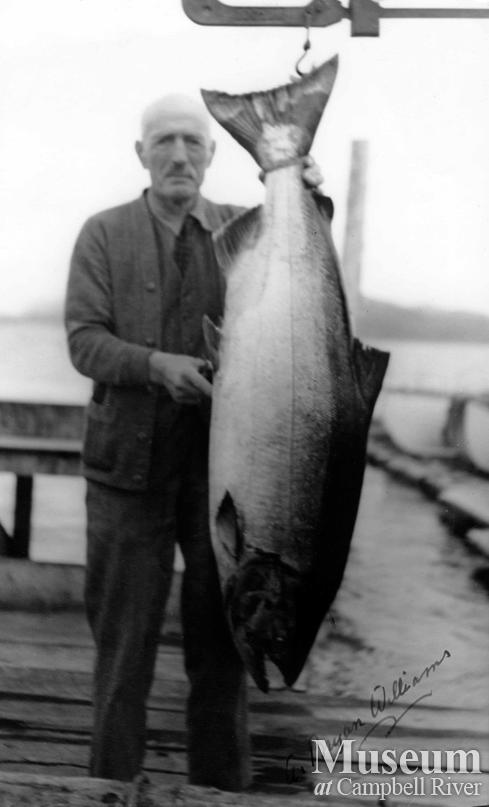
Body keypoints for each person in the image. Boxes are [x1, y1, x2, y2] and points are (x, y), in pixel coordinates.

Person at [64, 93, 327, 792]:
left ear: (212, 154)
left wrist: (307, 194)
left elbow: (302, 260)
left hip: (225, 483)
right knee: (123, 650)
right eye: (164, 142)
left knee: (222, 648)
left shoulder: (247, 229)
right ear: (141, 154)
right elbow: (84, 341)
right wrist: (156, 365)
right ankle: (109, 788)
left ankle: (220, 790)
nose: (178, 155)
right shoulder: (102, 234)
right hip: (125, 476)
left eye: (192, 142)